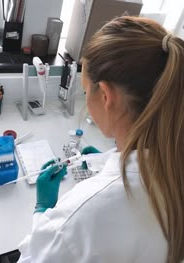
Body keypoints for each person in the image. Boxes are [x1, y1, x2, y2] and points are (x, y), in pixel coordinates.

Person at [17, 16, 184, 263]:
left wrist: (42, 210)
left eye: (85, 92)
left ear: (105, 95)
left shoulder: (79, 219)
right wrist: (107, 161)